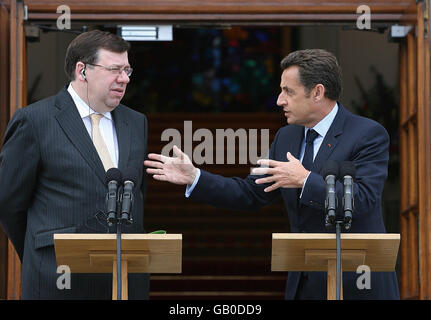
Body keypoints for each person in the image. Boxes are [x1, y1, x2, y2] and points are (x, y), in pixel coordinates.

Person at [144, 49, 400, 300]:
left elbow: (364, 199)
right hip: (305, 285)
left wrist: (304, 180)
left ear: (318, 92)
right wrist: (196, 177)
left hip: (359, 284)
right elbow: (250, 192)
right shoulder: (285, 137)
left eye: (288, 91)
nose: (280, 100)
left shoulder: (367, 134)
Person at [0, 30, 149, 299]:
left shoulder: (136, 122)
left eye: (127, 70)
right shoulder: (34, 121)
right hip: (57, 279)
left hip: (124, 281)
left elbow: (136, 196)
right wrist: (42, 252)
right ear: (82, 71)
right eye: (115, 69)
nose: (124, 78)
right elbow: (9, 202)